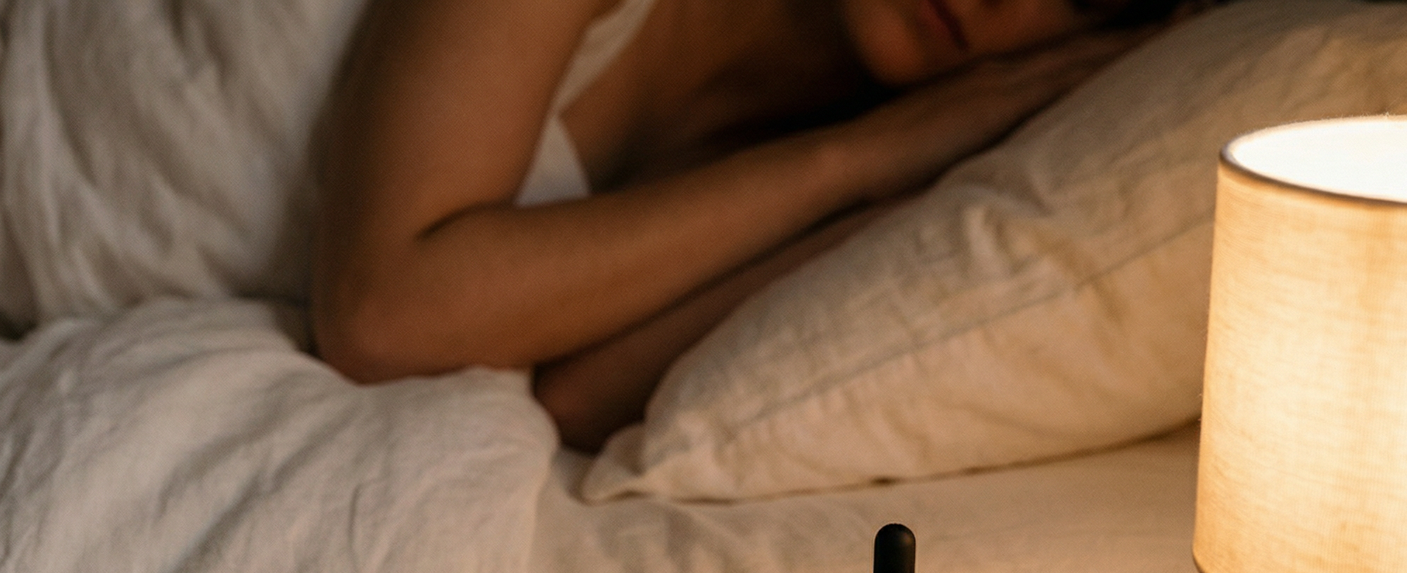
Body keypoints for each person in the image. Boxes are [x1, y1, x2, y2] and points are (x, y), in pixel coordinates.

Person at [310, 0, 1175, 450]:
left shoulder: (800, 143)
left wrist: (916, 182)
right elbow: (385, 316)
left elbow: (577, 390)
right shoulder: (831, 152)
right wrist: (852, 159)